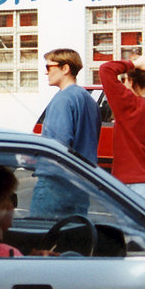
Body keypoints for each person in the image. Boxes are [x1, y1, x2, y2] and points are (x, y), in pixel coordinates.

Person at [30, 48, 101, 218]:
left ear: (65, 68)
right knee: (72, 238)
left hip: (56, 183)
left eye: (49, 67)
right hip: (81, 182)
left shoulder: (62, 99)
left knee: (41, 238)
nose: (46, 73)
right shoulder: (89, 100)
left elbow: (57, 146)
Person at [100, 53, 145, 209]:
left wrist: (133, 63)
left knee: (133, 234)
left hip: (133, 185)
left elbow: (106, 70)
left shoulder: (128, 105)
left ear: (130, 80)